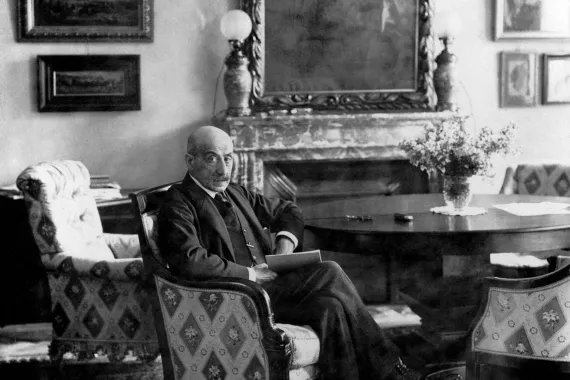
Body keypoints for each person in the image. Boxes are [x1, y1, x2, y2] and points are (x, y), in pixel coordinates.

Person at [157, 126, 425, 380]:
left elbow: (288, 210)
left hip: (272, 288)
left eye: (228, 158)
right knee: (329, 270)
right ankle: (392, 369)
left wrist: (284, 245)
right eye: (212, 159)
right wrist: (251, 274)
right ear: (190, 161)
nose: (222, 168)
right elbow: (189, 260)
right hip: (237, 297)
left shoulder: (236, 192)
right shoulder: (178, 202)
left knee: (330, 307)